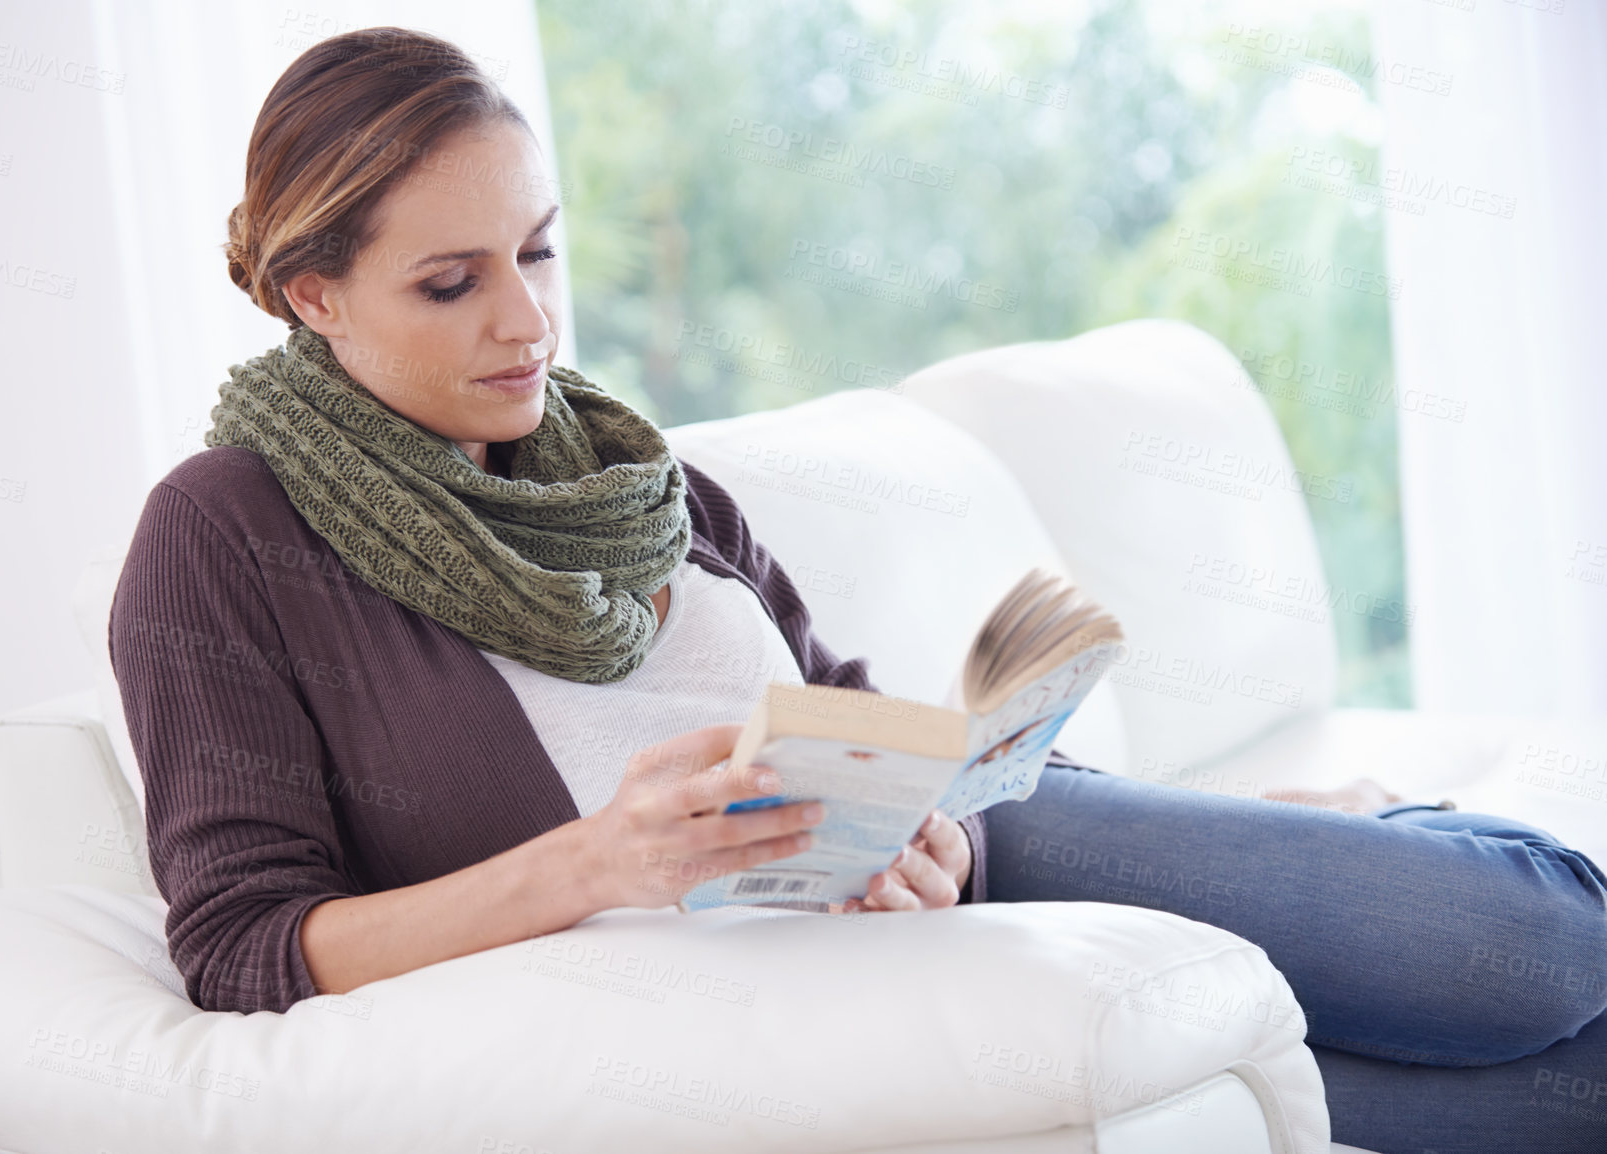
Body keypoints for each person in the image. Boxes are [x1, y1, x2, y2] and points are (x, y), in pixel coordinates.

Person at [110, 27, 1606, 1154]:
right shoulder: (225, 535)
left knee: (1547, 938)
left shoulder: (637, 476)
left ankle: (1348, 823)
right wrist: (594, 862)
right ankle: (1324, 838)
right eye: (452, 281)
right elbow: (244, 946)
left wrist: (935, 834)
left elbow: (840, 702)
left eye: (541, 251)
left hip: (956, 872)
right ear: (313, 292)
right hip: (791, 998)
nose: (527, 318)